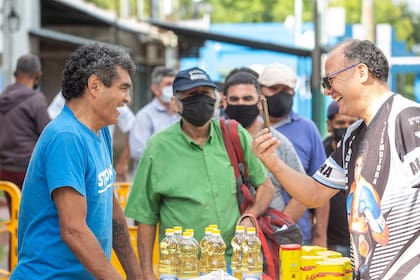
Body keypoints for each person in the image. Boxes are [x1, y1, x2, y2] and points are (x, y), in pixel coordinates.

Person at [252, 39, 420, 280]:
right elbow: (315, 193)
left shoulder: (408, 119)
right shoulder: (353, 135)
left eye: (330, 80)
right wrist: (273, 162)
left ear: (361, 72)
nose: (327, 91)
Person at [125, 66, 275, 279]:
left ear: (215, 99)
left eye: (205, 94)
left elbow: (266, 187)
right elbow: (145, 217)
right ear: (176, 104)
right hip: (183, 269)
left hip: (234, 265)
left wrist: (251, 214)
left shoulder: (233, 134)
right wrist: (147, 273)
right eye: (192, 95)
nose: (200, 101)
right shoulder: (158, 148)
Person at [11, 43, 141, 279]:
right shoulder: (66, 137)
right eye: (123, 88)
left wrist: (136, 274)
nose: (127, 98)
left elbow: (110, 208)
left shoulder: (100, 132)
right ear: (95, 86)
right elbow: (73, 230)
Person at [223, 69, 307, 223]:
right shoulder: (216, 140)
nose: (241, 104)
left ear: (260, 102)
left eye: (247, 98)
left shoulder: (276, 141)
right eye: (234, 99)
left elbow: (302, 194)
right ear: (224, 102)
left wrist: (279, 227)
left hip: (269, 237)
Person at [258, 63, 328, 246]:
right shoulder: (247, 128)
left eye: (286, 90)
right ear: (260, 91)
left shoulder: (307, 129)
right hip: (255, 235)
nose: (280, 94)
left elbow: (322, 185)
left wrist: (320, 236)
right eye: (273, 89)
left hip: (298, 235)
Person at [48, 91, 135, 181]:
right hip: (73, 161)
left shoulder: (109, 93)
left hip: (104, 164)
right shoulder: (69, 92)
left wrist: (123, 162)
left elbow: (132, 125)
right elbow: (50, 122)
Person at [0, 54, 50, 188]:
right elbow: (48, 134)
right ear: (37, 75)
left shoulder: (2, 97)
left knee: (15, 208)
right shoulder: (36, 100)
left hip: (5, 169)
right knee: (33, 209)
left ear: (15, 73)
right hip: (29, 169)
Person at [323, 100, 357, 257]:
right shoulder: (321, 152)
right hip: (333, 242)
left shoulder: (368, 150)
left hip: (361, 241)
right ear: (329, 125)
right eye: (341, 123)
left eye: (352, 122)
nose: (346, 127)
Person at [129, 66, 179, 169]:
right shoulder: (145, 116)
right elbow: (138, 152)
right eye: (168, 84)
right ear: (155, 89)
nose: (173, 88)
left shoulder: (182, 114)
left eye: (175, 84)